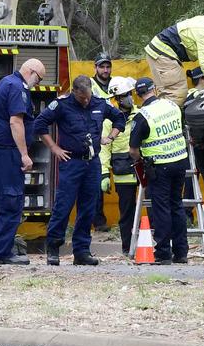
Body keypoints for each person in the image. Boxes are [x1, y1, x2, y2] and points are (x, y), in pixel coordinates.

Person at [33, 75, 126, 265]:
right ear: (74, 92)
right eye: (81, 97)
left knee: (88, 208)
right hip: (71, 162)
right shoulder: (62, 105)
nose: (85, 100)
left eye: (87, 96)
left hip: (92, 163)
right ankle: (53, 247)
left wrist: (111, 136)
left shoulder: (100, 103)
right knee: (63, 206)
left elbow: (119, 118)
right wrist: (54, 148)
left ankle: (82, 251)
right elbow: (39, 124)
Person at [0, 59, 46, 265]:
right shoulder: (18, 87)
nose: (38, 84)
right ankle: (2, 252)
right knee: (11, 200)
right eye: (39, 79)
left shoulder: (5, 82)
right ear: (31, 72)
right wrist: (24, 154)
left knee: (0, 201)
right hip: (8, 152)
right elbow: (16, 121)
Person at [129, 77, 190, 264]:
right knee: (177, 205)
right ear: (154, 89)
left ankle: (163, 253)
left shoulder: (142, 116)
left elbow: (133, 149)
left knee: (161, 208)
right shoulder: (172, 106)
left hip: (160, 166)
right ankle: (181, 252)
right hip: (180, 161)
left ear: (138, 95)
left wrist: (140, 161)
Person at [144, 16, 204, 106]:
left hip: (159, 53)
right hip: (162, 54)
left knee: (166, 95)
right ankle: (174, 123)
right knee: (177, 94)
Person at [104, 77, 140, 255]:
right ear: (117, 99)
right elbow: (104, 149)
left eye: (129, 94)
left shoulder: (141, 114)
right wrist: (104, 174)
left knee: (152, 208)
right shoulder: (109, 120)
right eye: (124, 96)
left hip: (142, 168)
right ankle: (127, 248)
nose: (129, 98)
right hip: (122, 172)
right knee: (127, 213)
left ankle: (151, 244)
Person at [90, 53, 113, 230]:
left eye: (107, 66)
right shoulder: (90, 85)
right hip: (97, 136)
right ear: (95, 67)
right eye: (102, 66)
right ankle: (98, 221)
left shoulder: (116, 83)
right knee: (98, 178)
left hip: (115, 135)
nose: (105, 70)